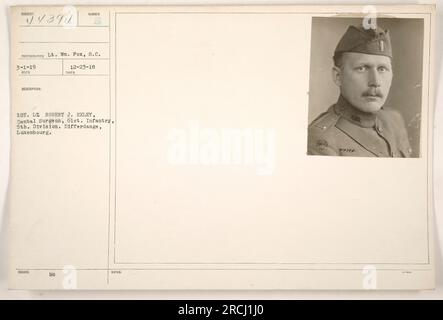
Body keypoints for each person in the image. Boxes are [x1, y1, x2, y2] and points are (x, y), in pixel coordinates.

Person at [307, 24, 413, 157]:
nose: (375, 82)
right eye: (362, 68)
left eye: (382, 69)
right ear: (338, 77)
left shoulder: (394, 120)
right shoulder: (322, 139)